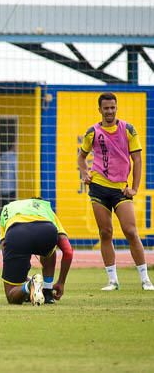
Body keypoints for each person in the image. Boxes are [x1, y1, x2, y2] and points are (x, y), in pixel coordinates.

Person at [77, 92, 153, 291]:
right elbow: (81, 157)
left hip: (121, 189)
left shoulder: (128, 129)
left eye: (113, 107)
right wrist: (85, 173)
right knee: (105, 233)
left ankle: (145, 279)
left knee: (130, 231)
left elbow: (137, 160)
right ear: (99, 109)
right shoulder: (92, 132)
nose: (109, 111)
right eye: (106, 108)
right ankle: (112, 280)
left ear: (116, 107)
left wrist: (134, 188)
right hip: (98, 188)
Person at [0, 198, 73, 305]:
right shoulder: (46, 208)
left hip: (17, 232)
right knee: (50, 250)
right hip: (46, 230)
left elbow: (6, 249)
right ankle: (48, 292)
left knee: (11, 295)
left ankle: (29, 285)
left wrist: (21, 274)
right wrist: (61, 282)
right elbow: (68, 252)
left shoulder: (6, 208)